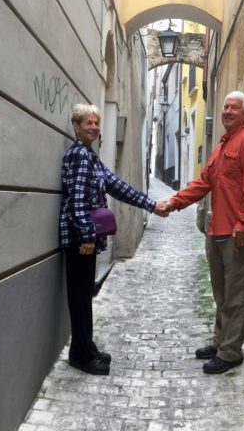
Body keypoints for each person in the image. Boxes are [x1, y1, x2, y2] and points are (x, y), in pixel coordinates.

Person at [160, 91, 244, 374]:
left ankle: (231, 352)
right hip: (216, 230)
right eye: (225, 107)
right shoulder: (221, 147)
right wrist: (174, 202)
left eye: (234, 108)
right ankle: (220, 341)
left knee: (237, 293)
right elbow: (202, 183)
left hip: (236, 233)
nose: (228, 112)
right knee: (221, 292)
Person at [59, 103, 168, 375]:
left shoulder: (91, 156)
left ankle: (86, 347)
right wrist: (86, 235)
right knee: (80, 297)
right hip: (79, 240)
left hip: (85, 239)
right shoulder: (79, 156)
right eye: (88, 123)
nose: (94, 127)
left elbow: (117, 186)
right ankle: (81, 356)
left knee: (84, 295)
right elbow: (77, 201)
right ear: (76, 126)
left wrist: (150, 205)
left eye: (97, 122)